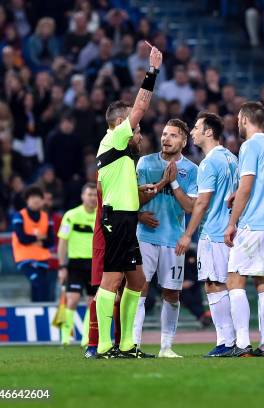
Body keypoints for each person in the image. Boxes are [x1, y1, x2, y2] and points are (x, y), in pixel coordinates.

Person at [94, 42, 162, 359]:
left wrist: (150, 188)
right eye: (136, 129)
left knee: (136, 280)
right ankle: (105, 345)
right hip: (117, 218)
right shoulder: (116, 136)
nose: (139, 134)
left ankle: (126, 344)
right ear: (122, 122)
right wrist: (153, 69)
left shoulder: (120, 154)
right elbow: (140, 108)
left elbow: (123, 189)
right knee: (113, 278)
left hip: (125, 216)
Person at [222, 101, 264, 357]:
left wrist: (232, 222)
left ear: (245, 119)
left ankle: (242, 343)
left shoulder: (249, 146)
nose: (237, 124)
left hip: (253, 223)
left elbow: (247, 187)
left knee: (234, 278)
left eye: (238, 119)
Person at [176, 112, 239, 357]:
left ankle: (226, 341)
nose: (192, 132)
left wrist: (187, 234)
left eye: (196, 127)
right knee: (228, 284)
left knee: (214, 284)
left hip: (214, 232)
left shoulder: (208, 163)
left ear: (209, 132)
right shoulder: (231, 158)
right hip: (231, 230)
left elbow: (201, 203)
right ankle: (234, 339)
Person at [133, 118, 197, 358]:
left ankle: (166, 348)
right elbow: (136, 201)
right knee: (139, 288)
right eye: (164, 134)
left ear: (183, 140)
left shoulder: (192, 170)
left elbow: (190, 207)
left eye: (173, 135)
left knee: (171, 293)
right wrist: (140, 216)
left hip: (173, 239)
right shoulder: (146, 163)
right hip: (146, 237)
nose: (166, 139)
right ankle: (134, 345)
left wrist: (174, 181)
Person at [57, 183, 97, 346]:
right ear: (82, 196)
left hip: (94, 264)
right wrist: (62, 266)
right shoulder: (71, 215)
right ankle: (65, 338)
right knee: (72, 299)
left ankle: (86, 338)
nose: (93, 198)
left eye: (95, 195)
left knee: (92, 301)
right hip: (75, 264)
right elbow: (62, 242)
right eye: (89, 194)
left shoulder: (101, 216)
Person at [11, 186, 55, 302]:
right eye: (32, 197)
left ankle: (39, 313)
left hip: (42, 258)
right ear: (27, 200)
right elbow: (22, 238)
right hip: (24, 258)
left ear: (42, 200)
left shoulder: (46, 217)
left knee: (41, 287)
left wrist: (33, 239)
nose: (35, 200)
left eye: (38, 197)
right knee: (39, 282)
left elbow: (50, 241)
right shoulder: (19, 216)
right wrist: (38, 238)